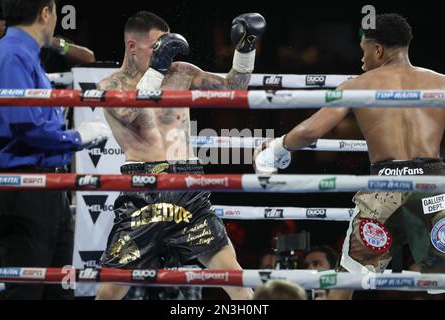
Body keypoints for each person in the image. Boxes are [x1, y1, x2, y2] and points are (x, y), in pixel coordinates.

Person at [254, 14, 445, 300]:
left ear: (377, 49)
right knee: (438, 283)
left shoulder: (358, 85)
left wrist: (277, 148)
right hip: (434, 187)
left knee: (346, 285)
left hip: (385, 188)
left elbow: (310, 131)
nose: (362, 59)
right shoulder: (441, 82)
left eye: (363, 50)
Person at [95, 11, 266, 300]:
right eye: (156, 47)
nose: (164, 53)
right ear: (132, 46)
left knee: (236, 281)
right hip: (142, 192)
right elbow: (128, 112)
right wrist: (156, 70)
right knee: (109, 291)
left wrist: (245, 48)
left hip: (188, 188)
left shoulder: (181, 73)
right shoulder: (110, 86)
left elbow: (233, 88)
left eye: (166, 46)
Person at [0, 0, 110, 300]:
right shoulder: (11, 54)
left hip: (48, 188)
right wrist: (75, 138)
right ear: (45, 13)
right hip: (24, 188)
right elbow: (26, 126)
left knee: (60, 290)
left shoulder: (26, 55)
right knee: (25, 292)